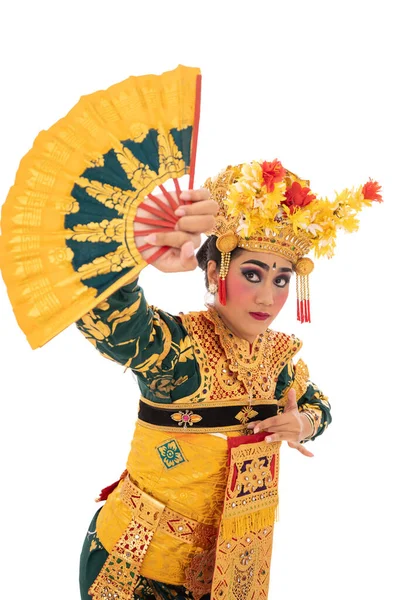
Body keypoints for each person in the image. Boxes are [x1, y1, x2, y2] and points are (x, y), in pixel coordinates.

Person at [77, 159, 381, 600]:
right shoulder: (175, 350)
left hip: (232, 567)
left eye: (282, 279)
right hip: (137, 562)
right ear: (215, 271)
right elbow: (106, 312)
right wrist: (145, 251)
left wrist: (302, 424)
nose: (267, 297)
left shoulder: (280, 360)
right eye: (252, 274)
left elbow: (318, 404)